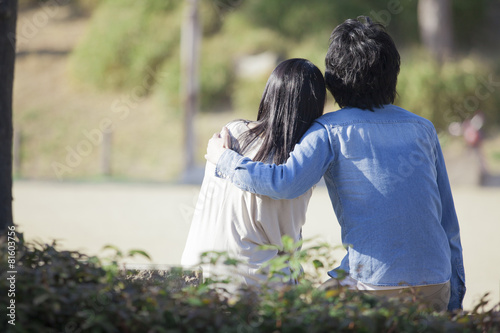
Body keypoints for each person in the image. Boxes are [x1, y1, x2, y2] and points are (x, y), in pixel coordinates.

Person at [206, 17, 465, 311]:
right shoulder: (424, 128)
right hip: (436, 284)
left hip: (373, 286)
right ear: (394, 72)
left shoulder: (329, 130)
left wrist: (225, 159)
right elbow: (448, 224)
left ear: (334, 81)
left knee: (306, 310)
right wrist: (454, 299)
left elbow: (284, 183)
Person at [181, 58, 326, 287]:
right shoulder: (300, 161)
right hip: (257, 282)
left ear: (270, 94)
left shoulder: (231, 134)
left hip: (198, 271)